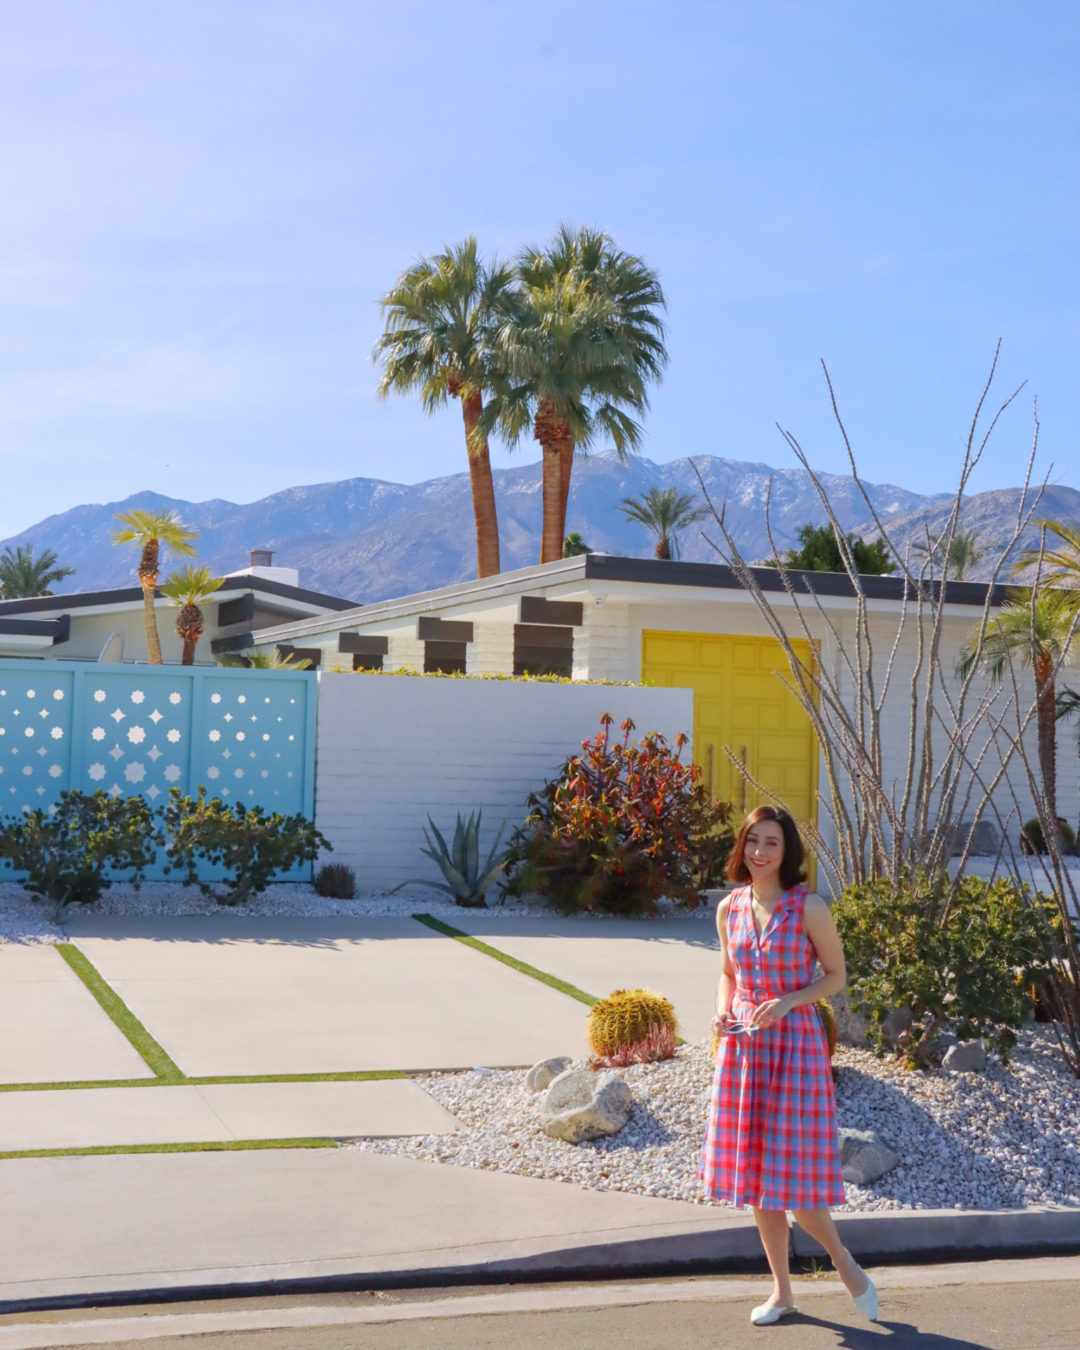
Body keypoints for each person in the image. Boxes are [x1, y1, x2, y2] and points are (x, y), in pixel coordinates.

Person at [699, 804, 878, 1327]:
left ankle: (842, 1260)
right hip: (744, 1051)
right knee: (757, 1177)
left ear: (787, 850)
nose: (759, 852)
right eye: (752, 841)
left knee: (794, 1180)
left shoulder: (808, 907)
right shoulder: (729, 908)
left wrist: (790, 1000)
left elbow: (836, 976)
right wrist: (720, 1009)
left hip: (794, 1052)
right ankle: (782, 1292)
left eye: (771, 843)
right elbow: (728, 973)